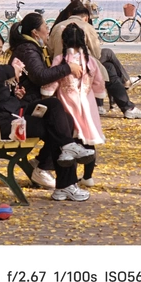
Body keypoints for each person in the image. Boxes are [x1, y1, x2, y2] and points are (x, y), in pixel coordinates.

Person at [0, 22, 95, 202]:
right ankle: (65, 183)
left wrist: (14, 93)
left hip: (14, 114)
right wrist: (10, 70)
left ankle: (67, 154)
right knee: (54, 127)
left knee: (58, 110)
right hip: (3, 125)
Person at [48, 4, 141, 119]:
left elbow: (50, 50)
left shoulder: (57, 27)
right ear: (86, 17)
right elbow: (96, 54)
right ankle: (127, 103)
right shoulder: (86, 27)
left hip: (60, 65)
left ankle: (123, 105)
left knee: (109, 67)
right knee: (108, 63)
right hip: (81, 66)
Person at [41, 23, 105, 188]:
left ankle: (72, 178)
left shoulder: (61, 60)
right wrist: (98, 96)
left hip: (68, 104)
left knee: (71, 142)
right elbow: (99, 83)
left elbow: (53, 83)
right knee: (88, 141)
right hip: (87, 104)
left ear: (64, 41)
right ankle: (88, 176)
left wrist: (46, 93)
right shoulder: (90, 61)